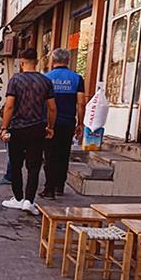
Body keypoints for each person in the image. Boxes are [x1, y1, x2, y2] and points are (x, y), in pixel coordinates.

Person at [0, 48, 57, 215]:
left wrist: (4, 127)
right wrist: (50, 127)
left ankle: (17, 198)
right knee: (34, 166)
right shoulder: (45, 81)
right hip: (37, 128)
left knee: (16, 164)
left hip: (17, 128)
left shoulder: (15, 80)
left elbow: (9, 105)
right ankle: (29, 201)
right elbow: (52, 108)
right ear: (36, 62)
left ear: (21, 62)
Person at [39, 48, 85, 200]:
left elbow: (42, 102)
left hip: (50, 123)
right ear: (68, 61)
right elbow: (81, 104)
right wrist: (80, 123)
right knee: (63, 154)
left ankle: (49, 188)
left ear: (53, 61)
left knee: (50, 155)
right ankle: (60, 185)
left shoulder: (46, 78)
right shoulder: (77, 78)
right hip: (68, 123)